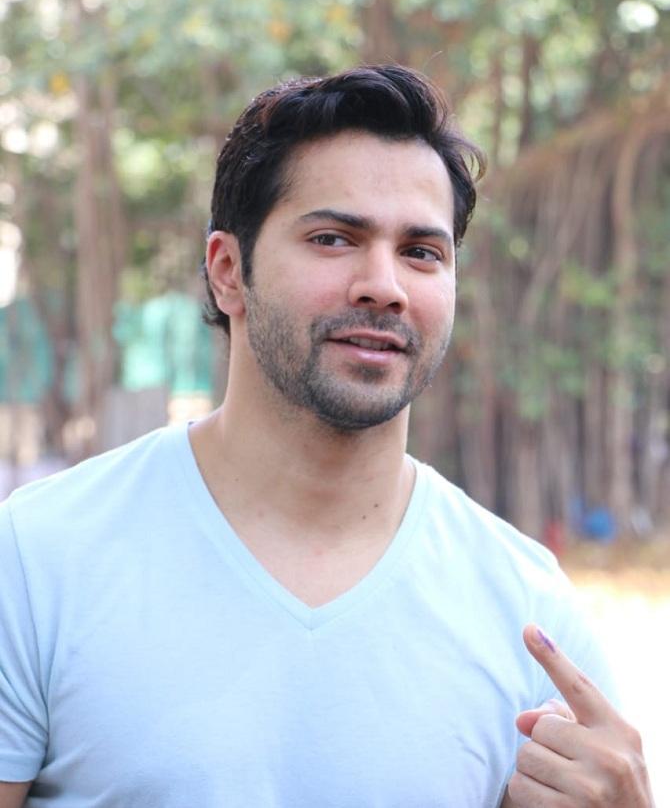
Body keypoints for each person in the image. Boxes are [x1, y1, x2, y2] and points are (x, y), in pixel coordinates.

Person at [0, 65, 654, 807]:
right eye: (334, 238)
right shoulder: (38, 557)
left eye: (422, 251)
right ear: (227, 272)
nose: (384, 284)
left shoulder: (530, 612)